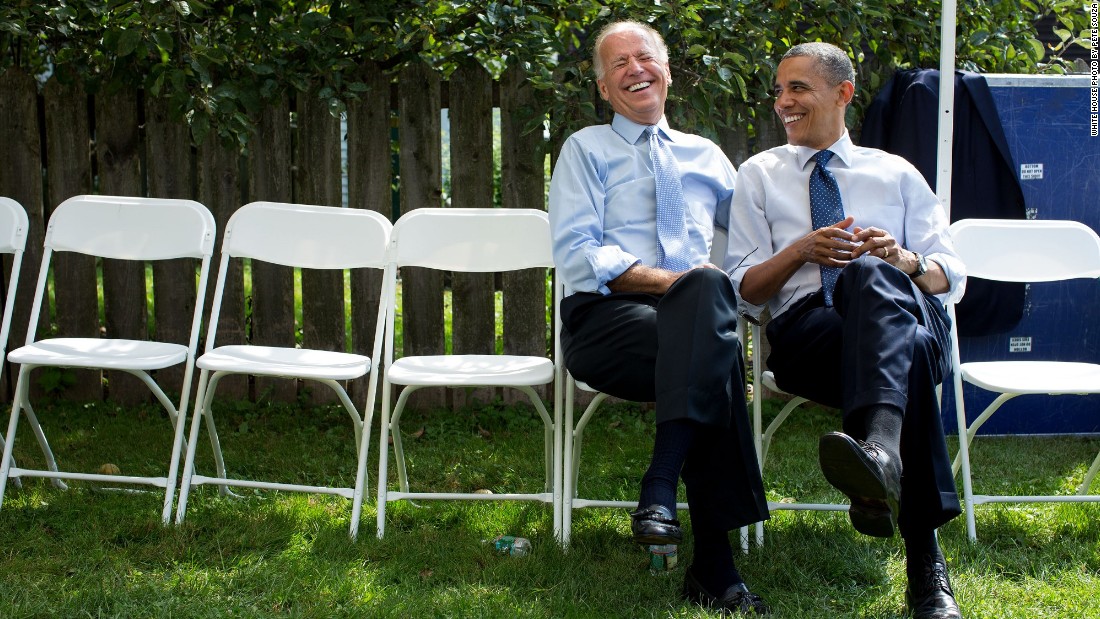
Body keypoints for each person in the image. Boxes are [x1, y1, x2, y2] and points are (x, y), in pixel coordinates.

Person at [726, 42, 966, 619]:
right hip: (810, 338)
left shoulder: (897, 172)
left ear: (843, 93)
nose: (783, 101)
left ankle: (880, 456)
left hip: (910, 319)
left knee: (873, 277)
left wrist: (903, 260)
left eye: (798, 88)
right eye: (779, 90)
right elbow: (743, 287)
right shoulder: (759, 175)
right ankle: (925, 565)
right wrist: (801, 251)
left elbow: (950, 274)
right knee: (899, 347)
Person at [549, 20, 770, 616]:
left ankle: (662, 494)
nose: (634, 70)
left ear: (668, 72)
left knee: (707, 334)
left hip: (692, 326)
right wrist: (686, 285)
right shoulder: (584, 150)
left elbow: (755, 235)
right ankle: (714, 564)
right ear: (602, 88)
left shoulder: (708, 157)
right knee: (710, 329)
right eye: (617, 64)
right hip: (608, 322)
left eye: (644, 57)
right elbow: (577, 254)